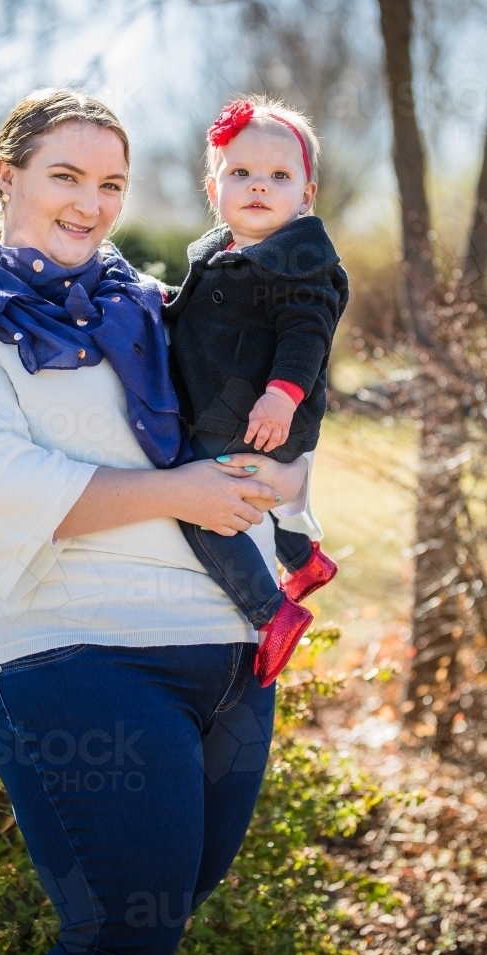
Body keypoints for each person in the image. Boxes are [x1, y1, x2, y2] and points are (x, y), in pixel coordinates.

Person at [0, 88, 310, 955]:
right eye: (66, 177)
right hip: (74, 649)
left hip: (229, 656)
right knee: (119, 939)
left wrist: (282, 492)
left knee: (162, 920)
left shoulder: (143, 304)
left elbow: (240, 427)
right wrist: (177, 494)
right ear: (8, 177)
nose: (90, 204)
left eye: (111, 184)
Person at [164, 95, 349, 688]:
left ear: (306, 195)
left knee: (203, 508)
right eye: (240, 173)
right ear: (213, 188)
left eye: (279, 175)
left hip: (262, 413)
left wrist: (283, 394)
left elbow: (307, 333)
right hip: (232, 408)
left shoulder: (301, 261)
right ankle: (302, 557)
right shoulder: (221, 252)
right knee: (228, 493)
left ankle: (272, 613)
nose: (259, 187)